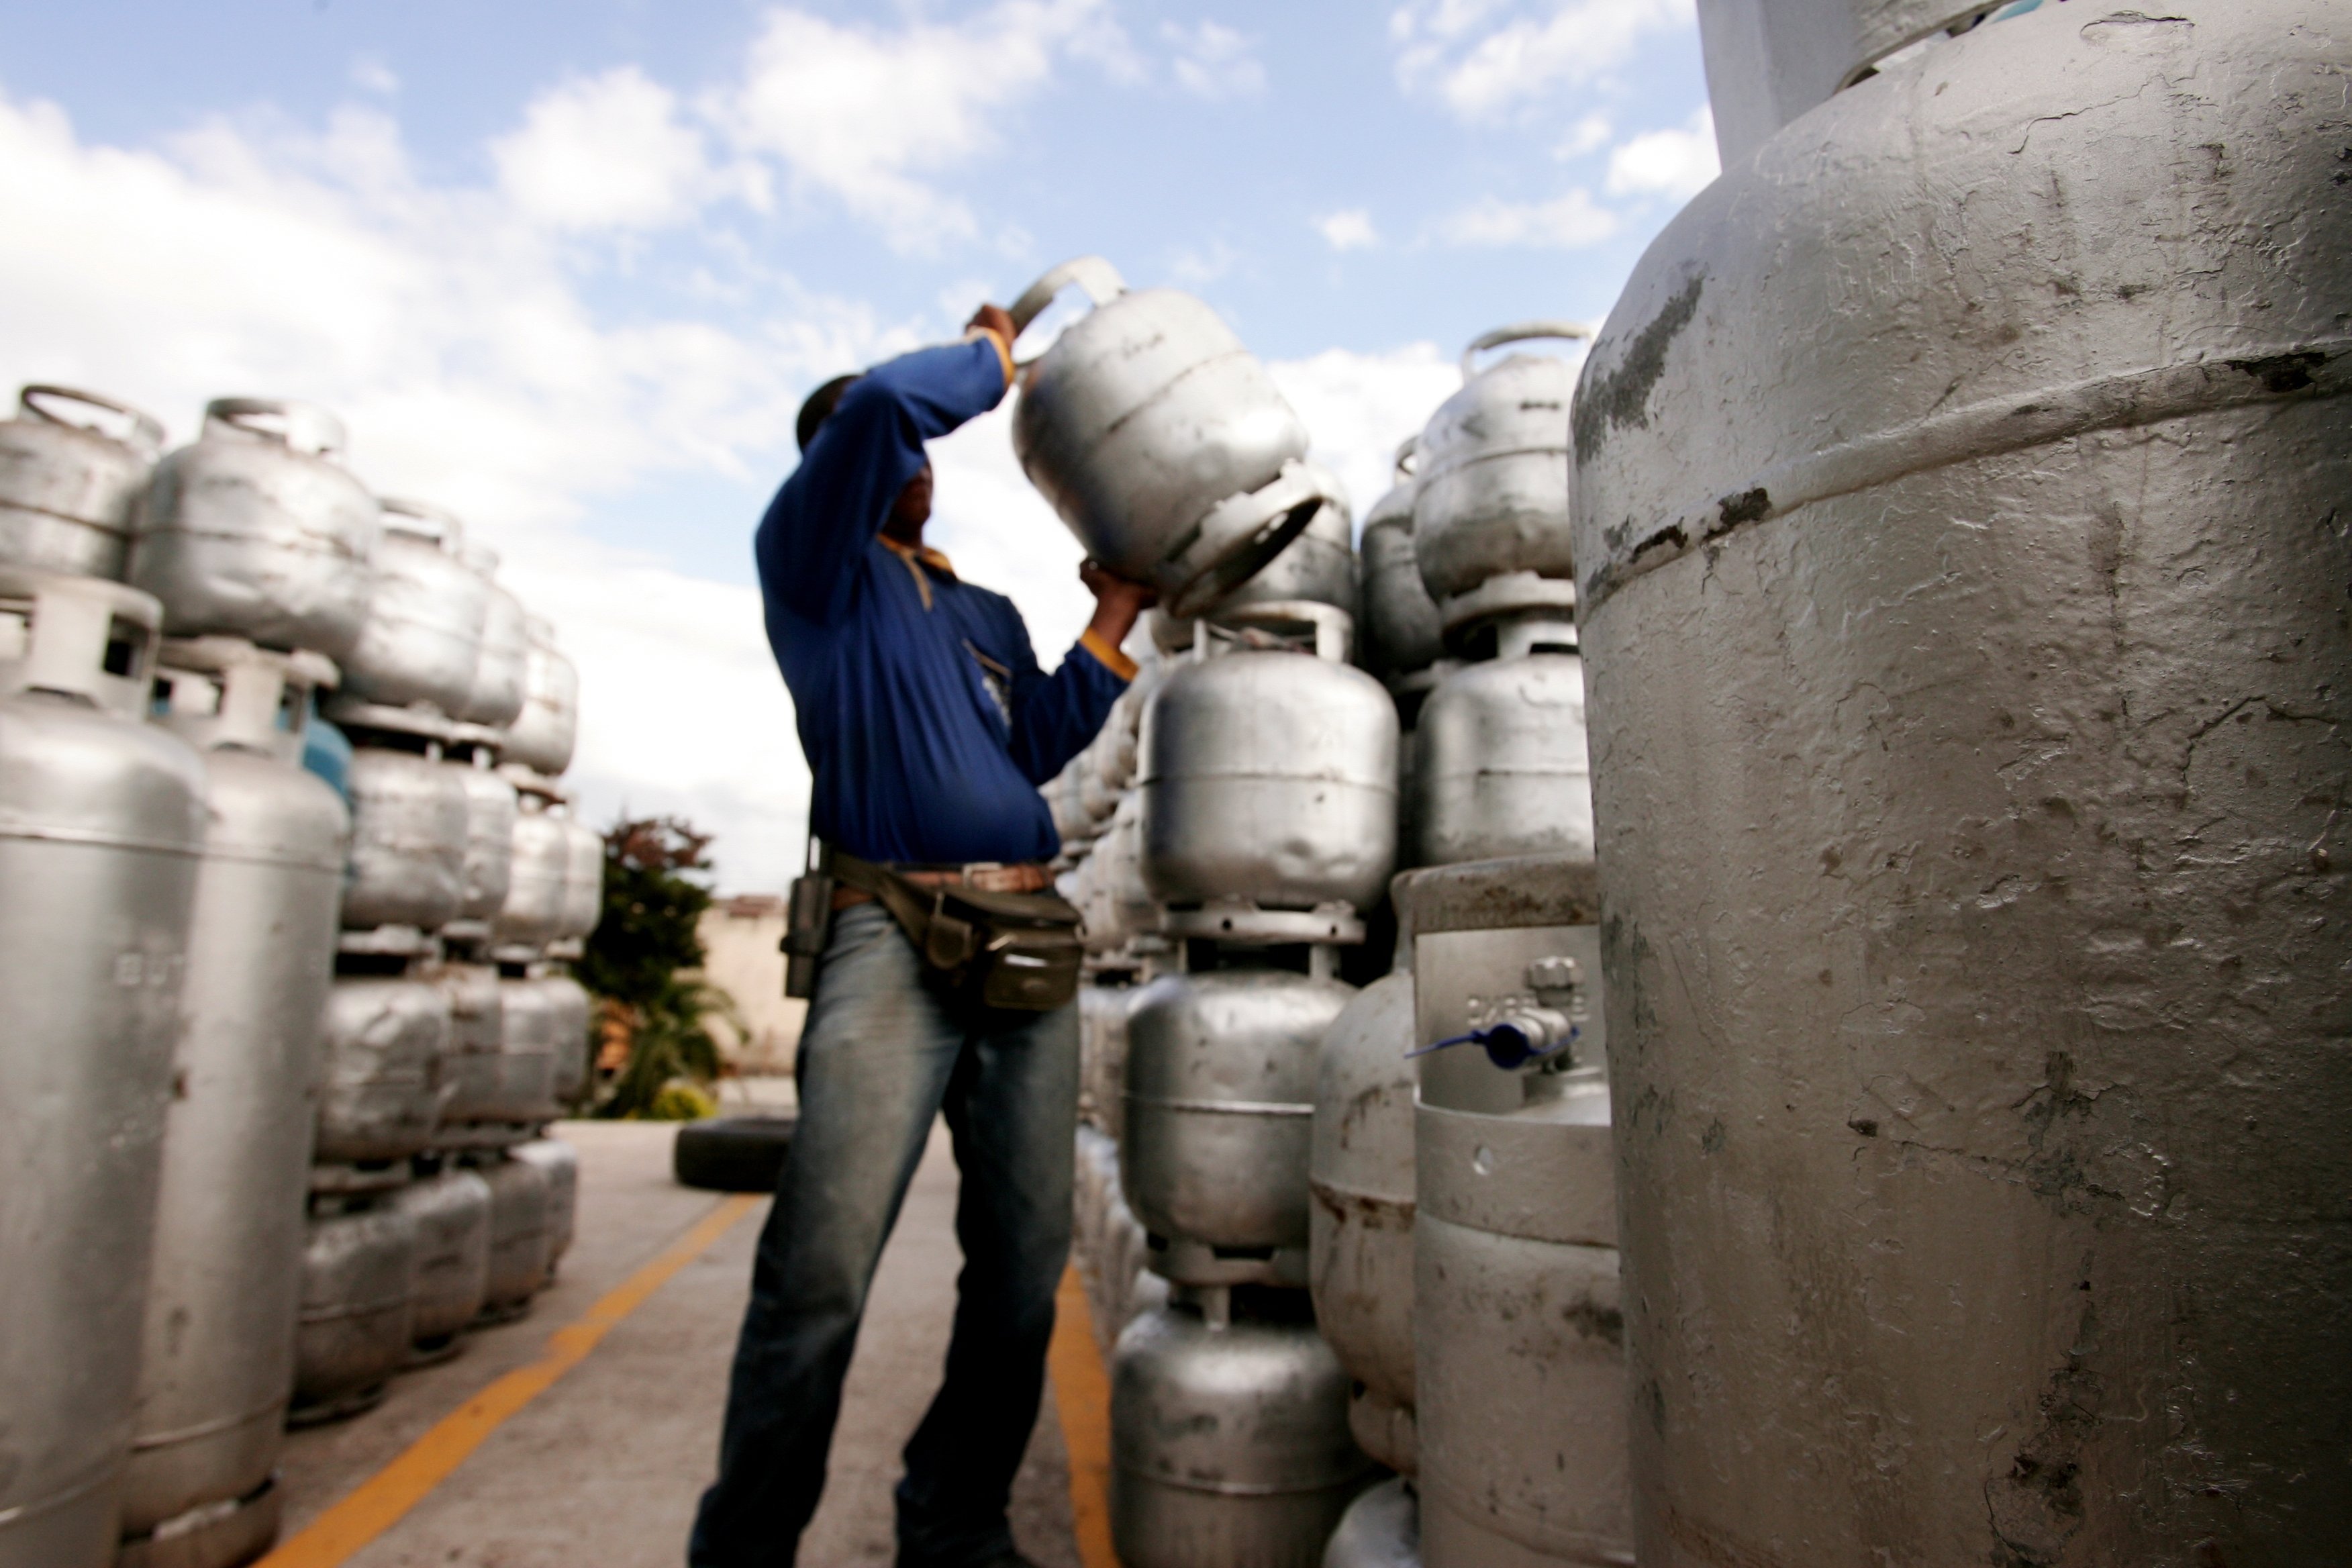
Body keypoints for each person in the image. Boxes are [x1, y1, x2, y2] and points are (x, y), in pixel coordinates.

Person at [690, 303, 1155, 1568]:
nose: (914, 461)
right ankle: (744, 1548)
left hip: (1024, 935)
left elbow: (1040, 743)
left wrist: (1109, 624)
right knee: (821, 1271)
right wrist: (996, 352)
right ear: (836, 466)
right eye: (882, 445)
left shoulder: (986, 615)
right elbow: (891, 403)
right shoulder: (816, 571)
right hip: (888, 930)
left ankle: (952, 1519)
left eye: (922, 449)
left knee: (1020, 1269)